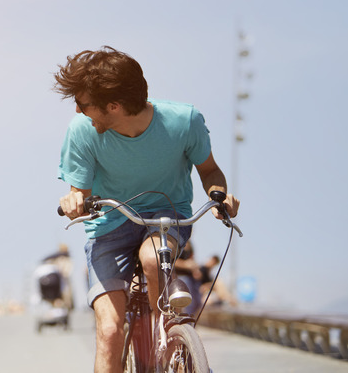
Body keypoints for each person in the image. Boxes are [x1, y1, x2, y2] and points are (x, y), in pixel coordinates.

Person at [54, 46, 240, 372]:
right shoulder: (81, 131)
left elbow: (210, 171)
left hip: (166, 219)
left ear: (114, 106)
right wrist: (73, 201)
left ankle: (168, 342)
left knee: (153, 259)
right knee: (110, 331)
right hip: (109, 226)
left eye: (84, 104)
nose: (80, 111)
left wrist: (219, 194)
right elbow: (79, 192)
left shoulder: (185, 122)